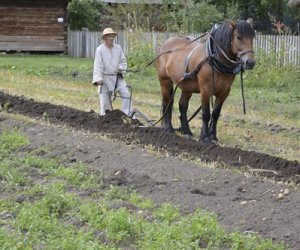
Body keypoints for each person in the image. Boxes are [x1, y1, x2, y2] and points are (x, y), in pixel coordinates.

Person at [92, 27, 132, 116]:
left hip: (118, 77)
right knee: (105, 101)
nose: (111, 38)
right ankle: (105, 117)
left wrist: (121, 68)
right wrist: (98, 78)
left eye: (112, 36)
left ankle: (128, 115)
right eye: (109, 36)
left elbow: (123, 61)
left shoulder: (118, 48)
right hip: (105, 77)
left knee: (126, 94)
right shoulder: (100, 49)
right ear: (104, 38)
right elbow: (98, 65)